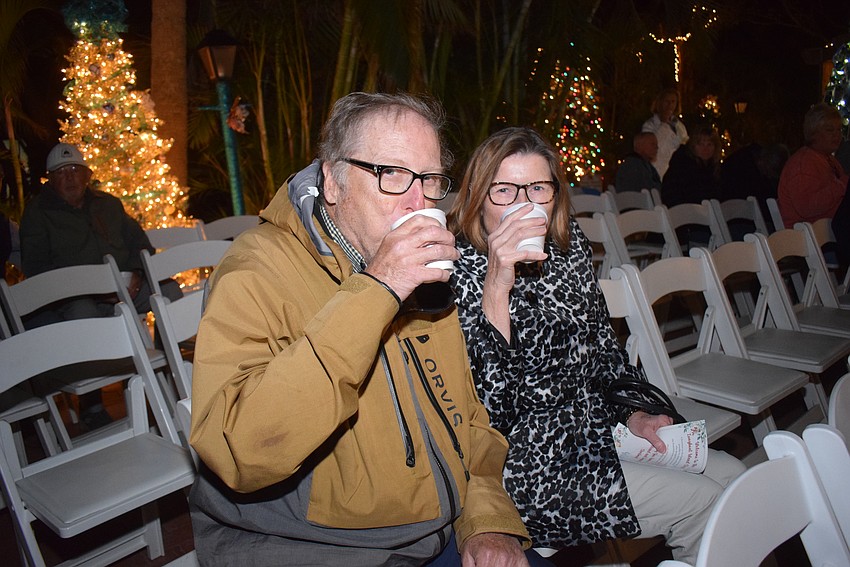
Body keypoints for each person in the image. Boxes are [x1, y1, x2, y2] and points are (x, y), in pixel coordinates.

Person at [188, 92, 543, 566]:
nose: (417, 201)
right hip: (313, 547)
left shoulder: (426, 276)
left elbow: (468, 417)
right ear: (333, 182)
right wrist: (378, 289)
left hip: (437, 534)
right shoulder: (255, 271)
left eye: (430, 179)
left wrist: (487, 520)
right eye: (391, 174)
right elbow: (238, 450)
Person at [446, 126, 745, 564]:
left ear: (555, 193)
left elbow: (604, 350)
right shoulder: (454, 274)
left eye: (538, 188)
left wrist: (633, 414)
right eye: (504, 190)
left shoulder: (568, 249)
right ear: (477, 196)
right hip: (525, 467)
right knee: (703, 504)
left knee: (735, 477)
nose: (524, 205)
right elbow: (487, 417)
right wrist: (496, 286)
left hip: (593, 429)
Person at [19, 142, 182, 428]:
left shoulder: (108, 204)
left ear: (87, 174)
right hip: (74, 296)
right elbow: (37, 269)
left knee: (168, 290)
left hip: (125, 286)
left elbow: (140, 243)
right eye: (61, 172)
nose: (69, 177)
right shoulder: (38, 213)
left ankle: (170, 370)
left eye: (74, 169)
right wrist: (90, 287)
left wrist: (136, 274)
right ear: (50, 179)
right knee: (84, 314)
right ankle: (92, 404)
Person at [778, 102, 848, 229]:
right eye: (830, 130)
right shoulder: (803, 163)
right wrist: (841, 185)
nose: (837, 135)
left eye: (839, 130)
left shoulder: (829, 159)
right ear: (813, 133)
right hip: (806, 236)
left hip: (827, 230)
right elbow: (806, 207)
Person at [660, 125, 722, 208]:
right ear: (693, 146)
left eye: (709, 145)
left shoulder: (714, 169)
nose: (705, 149)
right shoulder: (682, 166)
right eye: (701, 144)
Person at [642, 88, 689, 179]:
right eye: (667, 101)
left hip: (676, 173)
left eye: (673, 102)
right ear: (659, 102)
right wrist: (663, 124)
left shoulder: (679, 126)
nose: (670, 105)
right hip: (657, 172)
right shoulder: (650, 125)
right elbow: (650, 147)